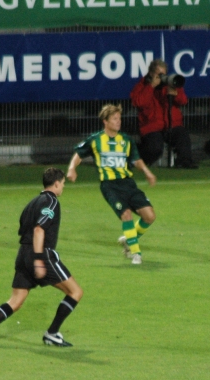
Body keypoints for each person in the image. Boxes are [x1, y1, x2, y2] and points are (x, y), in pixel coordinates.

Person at [0, 168, 83, 347]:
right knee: (75, 292)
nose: (63, 187)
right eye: (62, 184)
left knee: (15, 301)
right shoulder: (52, 202)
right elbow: (39, 229)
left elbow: (22, 228)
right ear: (56, 183)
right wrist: (39, 259)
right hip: (41, 254)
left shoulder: (32, 203)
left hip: (23, 253)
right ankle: (52, 333)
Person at [67, 104, 157, 265]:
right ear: (105, 121)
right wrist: (72, 168)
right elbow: (79, 154)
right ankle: (136, 253)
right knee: (126, 215)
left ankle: (129, 239)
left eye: (119, 118)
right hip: (109, 186)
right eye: (114, 119)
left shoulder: (126, 140)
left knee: (150, 216)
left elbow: (136, 159)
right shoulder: (95, 140)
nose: (118, 122)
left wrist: (147, 172)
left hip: (128, 184)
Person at [130, 59, 198, 169]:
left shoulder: (170, 84)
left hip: (171, 124)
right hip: (151, 126)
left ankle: (184, 162)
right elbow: (138, 102)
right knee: (155, 149)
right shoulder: (142, 86)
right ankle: (135, 159)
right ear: (151, 73)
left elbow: (184, 101)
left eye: (164, 74)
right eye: (159, 74)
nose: (162, 77)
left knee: (182, 135)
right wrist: (151, 86)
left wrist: (175, 94)